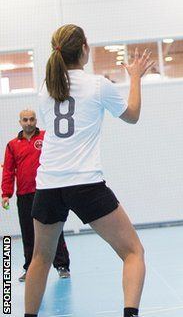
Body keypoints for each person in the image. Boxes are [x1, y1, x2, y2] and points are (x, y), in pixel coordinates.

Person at [24, 24, 154, 317]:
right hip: (84, 183)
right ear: (83, 49)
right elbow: (132, 116)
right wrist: (134, 77)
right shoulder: (98, 85)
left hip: (47, 184)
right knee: (133, 252)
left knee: (40, 259)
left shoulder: (46, 88)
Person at [2, 110, 71, 282]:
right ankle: (29, 268)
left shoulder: (47, 138)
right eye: (25, 120)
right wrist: (6, 194)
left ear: (35, 120)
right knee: (28, 233)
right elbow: (9, 171)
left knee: (55, 230)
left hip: (47, 191)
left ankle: (62, 265)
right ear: (20, 122)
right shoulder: (12, 145)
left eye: (32, 119)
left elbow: (60, 156)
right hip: (25, 195)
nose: (29, 123)